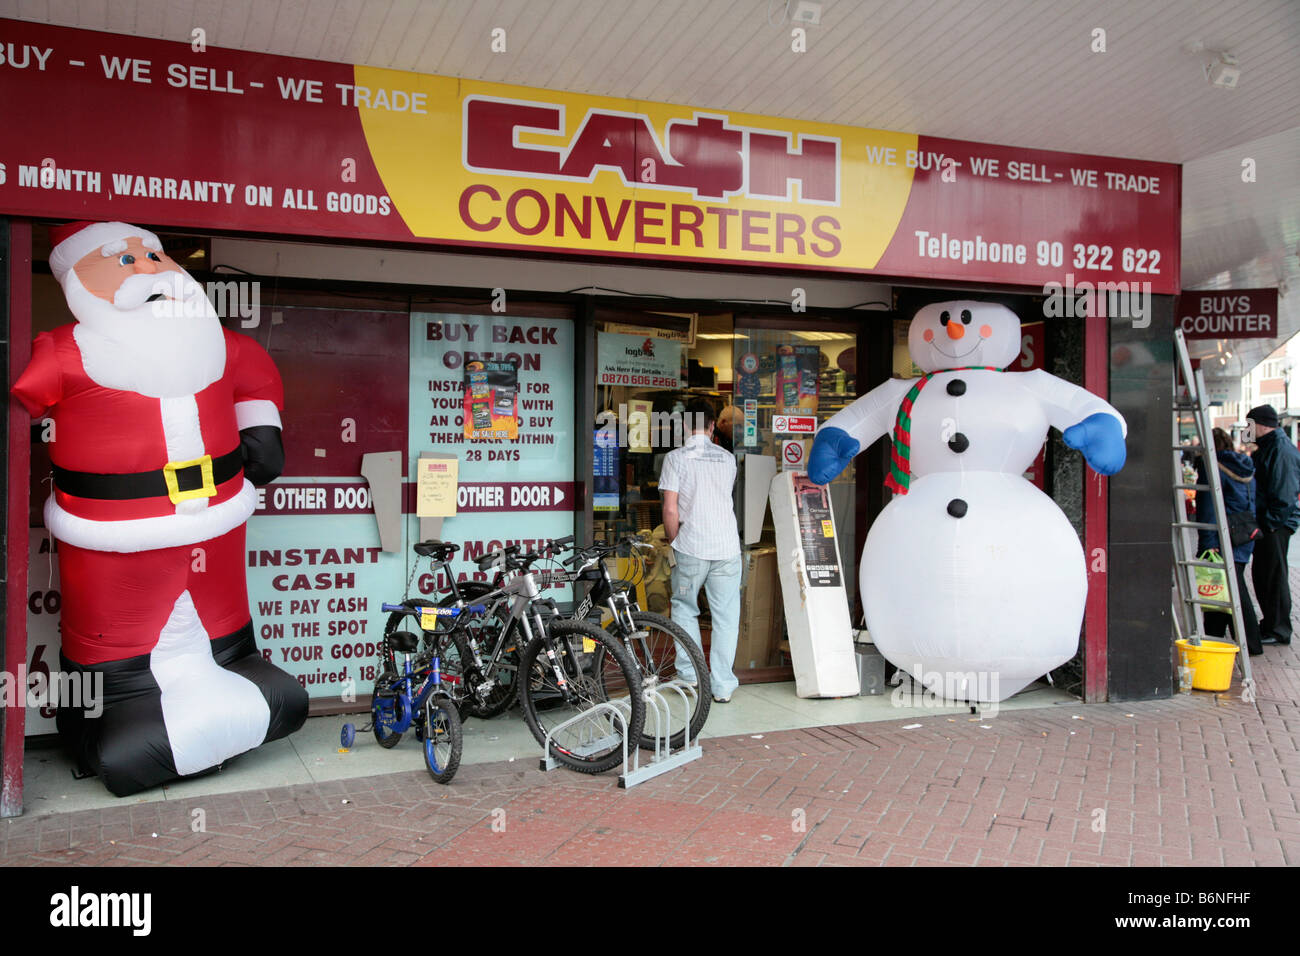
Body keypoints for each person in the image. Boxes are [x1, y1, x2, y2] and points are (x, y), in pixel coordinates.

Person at [660, 398, 742, 703]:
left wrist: (673, 541)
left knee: (684, 608)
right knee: (726, 617)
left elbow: (670, 509)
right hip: (726, 546)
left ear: (684, 425)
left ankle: (691, 676)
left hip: (692, 545)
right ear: (711, 425)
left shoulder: (676, 458)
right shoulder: (727, 458)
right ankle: (722, 686)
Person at [1195, 428, 1262, 655]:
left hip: (1221, 538)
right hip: (1243, 535)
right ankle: (1214, 637)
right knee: (1222, 587)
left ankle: (1250, 642)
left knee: (1231, 590)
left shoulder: (1211, 468)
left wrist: (1207, 543)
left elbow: (1207, 508)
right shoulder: (1245, 466)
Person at [1247, 404, 1300, 645]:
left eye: (1249, 424)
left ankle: (1278, 629)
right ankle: (1272, 624)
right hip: (1271, 523)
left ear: (1260, 424)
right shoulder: (1270, 447)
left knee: (1273, 575)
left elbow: (1284, 495)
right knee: (1264, 574)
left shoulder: (1279, 449)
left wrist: (1268, 524)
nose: (1246, 430)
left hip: (1275, 525)